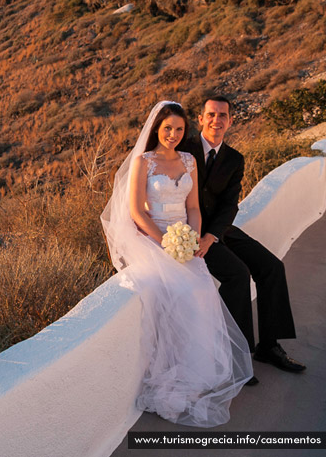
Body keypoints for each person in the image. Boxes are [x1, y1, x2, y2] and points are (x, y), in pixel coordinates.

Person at [102, 101, 253, 427]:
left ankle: (195, 373)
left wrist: (193, 239)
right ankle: (171, 375)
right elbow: (138, 213)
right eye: (167, 128)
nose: (173, 134)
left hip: (184, 239)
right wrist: (167, 244)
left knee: (201, 292)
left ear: (186, 131)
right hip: (153, 239)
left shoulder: (188, 161)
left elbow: (194, 207)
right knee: (179, 293)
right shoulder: (144, 162)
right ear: (157, 128)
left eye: (179, 129)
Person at [185, 96, 305, 376]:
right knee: (237, 275)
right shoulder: (183, 148)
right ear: (200, 118)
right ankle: (237, 355)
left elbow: (229, 203)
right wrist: (197, 236)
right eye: (211, 114)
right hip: (189, 231)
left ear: (231, 120)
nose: (217, 120)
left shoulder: (235, 159)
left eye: (223, 115)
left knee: (272, 267)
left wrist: (213, 234)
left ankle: (269, 346)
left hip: (221, 229)